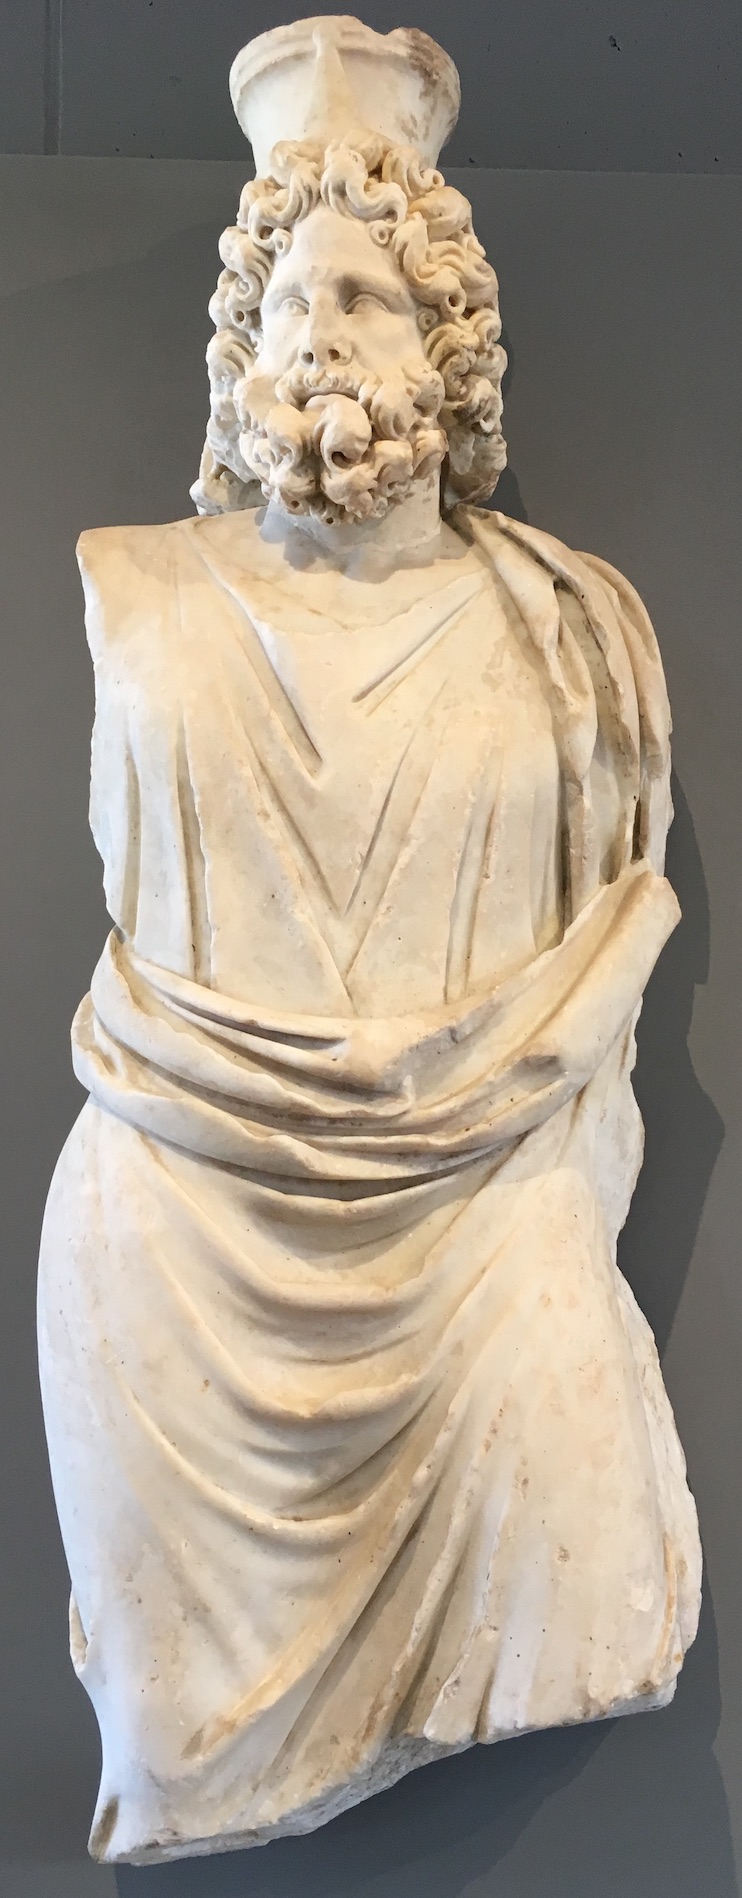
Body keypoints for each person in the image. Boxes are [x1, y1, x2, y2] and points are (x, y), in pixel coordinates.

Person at [37, 17, 701, 1866]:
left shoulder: (576, 629)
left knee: (579, 1565)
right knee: (169, 1722)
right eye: (284, 300)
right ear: (239, 348)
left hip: (486, 1221)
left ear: (448, 346)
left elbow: (606, 973)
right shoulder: (139, 593)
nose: (318, 334)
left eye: (364, 295)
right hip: (178, 1232)